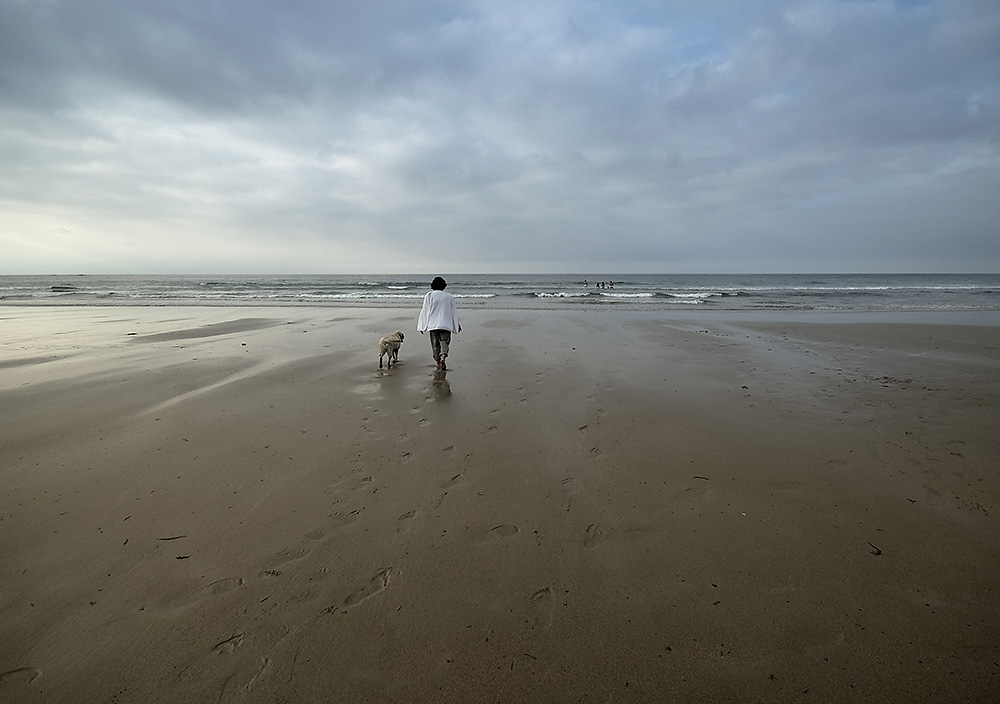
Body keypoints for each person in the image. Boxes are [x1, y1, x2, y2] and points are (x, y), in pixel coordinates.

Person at [417, 276, 461, 370]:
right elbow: (453, 312)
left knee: (435, 344)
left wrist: (422, 326)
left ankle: (437, 362)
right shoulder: (449, 297)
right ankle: (443, 356)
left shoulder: (429, 296)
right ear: (444, 286)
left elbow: (425, 311)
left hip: (432, 324)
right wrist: (456, 325)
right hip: (446, 324)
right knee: (445, 341)